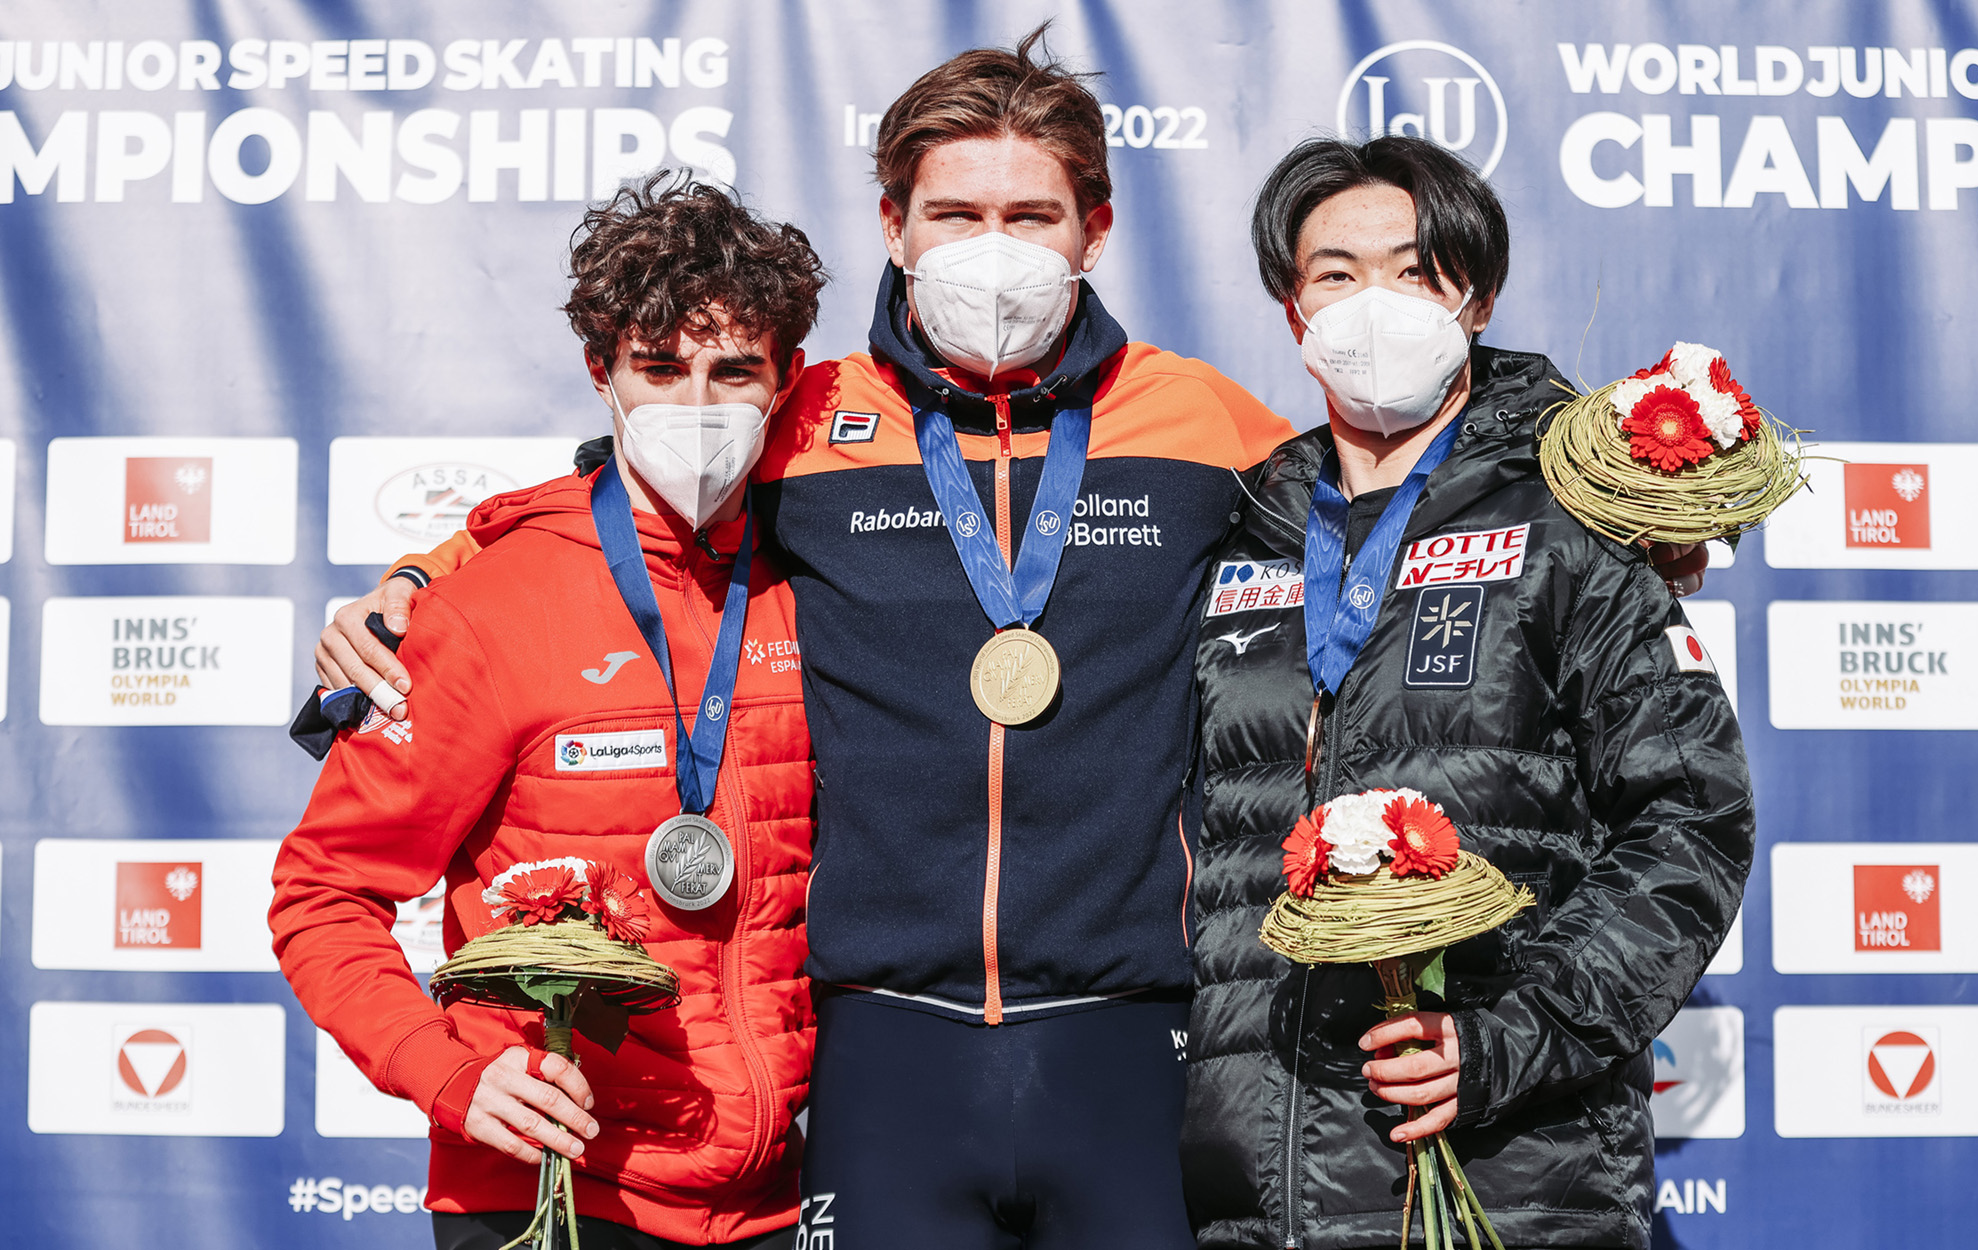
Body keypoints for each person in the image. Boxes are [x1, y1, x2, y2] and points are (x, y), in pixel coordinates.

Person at [314, 27, 1297, 1249]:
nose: (991, 250)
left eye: (1030, 215)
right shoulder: (806, 413)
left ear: (1093, 230)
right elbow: (611, 498)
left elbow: (1371, 521)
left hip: (1130, 1019)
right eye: (953, 213)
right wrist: (419, 575)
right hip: (883, 1032)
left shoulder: (1202, 419)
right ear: (893, 223)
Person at [1179, 135, 1754, 1250]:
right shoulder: (1239, 527)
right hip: (1259, 1190)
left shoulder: (1571, 521)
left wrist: (1505, 1038)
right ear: (1291, 307)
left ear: (1476, 297)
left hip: (1511, 1176)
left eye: (1413, 270)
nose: (1372, 304)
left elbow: (1691, 821)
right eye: (1335, 273)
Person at [270, 174, 827, 1250]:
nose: (697, 406)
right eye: (659, 369)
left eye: (734, 371)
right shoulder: (483, 605)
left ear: (787, 377)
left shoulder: (827, 580)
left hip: (779, 1198)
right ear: (600, 372)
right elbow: (323, 893)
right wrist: (450, 1072)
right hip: (545, 1192)